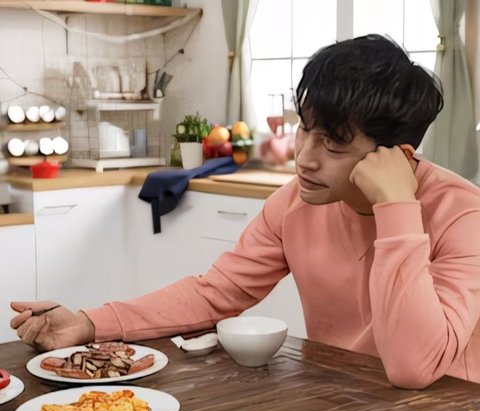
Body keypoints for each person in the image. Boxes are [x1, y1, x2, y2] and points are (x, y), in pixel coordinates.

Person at [10, 34, 480, 390]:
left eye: (334, 143)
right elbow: (216, 294)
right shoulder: (294, 202)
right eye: (305, 130)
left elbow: (414, 368)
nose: (305, 157)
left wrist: (396, 208)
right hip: (342, 395)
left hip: (447, 404)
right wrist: (91, 323)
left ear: (396, 154)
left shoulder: (463, 215)